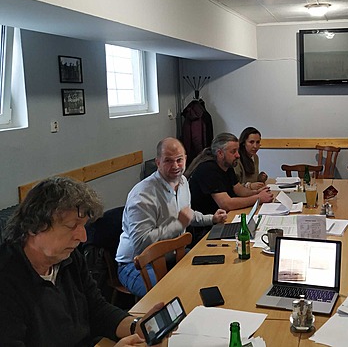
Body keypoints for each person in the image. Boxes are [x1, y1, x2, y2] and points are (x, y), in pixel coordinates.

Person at [0, 176, 166, 347]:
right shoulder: (7, 281)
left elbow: (96, 309)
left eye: (83, 226)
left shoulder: (69, 258)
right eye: (72, 226)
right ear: (35, 226)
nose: (83, 237)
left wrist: (136, 327)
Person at [116, 137, 227, 297]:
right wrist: (178, 224)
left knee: (215, 272)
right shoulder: (142, 195)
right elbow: (141, 244)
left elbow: (186, 214)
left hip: (173, 254)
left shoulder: (182, 182)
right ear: (158, 162)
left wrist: (211, 218)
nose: (175, 166)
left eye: (179, 160)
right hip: (137, 265)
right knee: (168, 297)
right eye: (168, 160)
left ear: (186, 159)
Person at [186, 133, 274, 242]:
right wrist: (259, 198)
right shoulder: (208, 169)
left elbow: (239, 190)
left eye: (237, 151)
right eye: (233, 151)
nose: (238, 155)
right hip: (205, 228)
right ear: (220, 153)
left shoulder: (227, 165)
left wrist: (257, 192)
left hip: (222, 220)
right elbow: (226, 204)